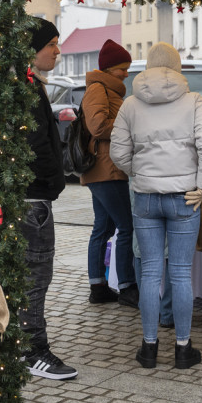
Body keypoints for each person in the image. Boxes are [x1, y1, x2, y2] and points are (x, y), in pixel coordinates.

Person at [111, 42, 202, 370]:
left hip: (145, 196)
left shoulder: (130, 104)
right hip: (185, 197)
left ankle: (148, 348)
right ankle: (183, 348)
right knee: (181, 273)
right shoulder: (194, 101)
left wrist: (139, 173)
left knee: (149, 272)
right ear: (177, 67)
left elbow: (118, 152)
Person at [20, 18, 76, 381]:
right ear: (33, 49)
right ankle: (32, 351)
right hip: (32, 201)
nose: (58, 51)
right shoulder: (25, 89)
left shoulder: (28, 85)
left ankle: (19, 345)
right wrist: (51, 179)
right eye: (51, 44)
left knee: (29, 275)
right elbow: (36, 146)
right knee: (35, 277)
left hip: (31, 198)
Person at [82, 39, 137, 307]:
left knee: (104, 227)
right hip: (107, 169)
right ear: (108, 68)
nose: (126, 73)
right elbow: (98, 126)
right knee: (126, 226)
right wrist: (129, 123)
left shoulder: (108, 89)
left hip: (105, 169)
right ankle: (127, 286)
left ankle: (98, 287)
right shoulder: (98, 88)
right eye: (122, 69)